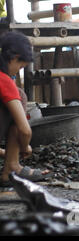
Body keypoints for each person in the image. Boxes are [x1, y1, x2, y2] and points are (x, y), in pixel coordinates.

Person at [0, 32, 51, 186]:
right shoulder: (4, 80)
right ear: (14, 58)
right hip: (21, 144)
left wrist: (5, 153)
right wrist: (25, 146)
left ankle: (12, 163)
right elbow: (25, 130)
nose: (18, 71)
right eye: (21, 67)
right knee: (20, 95)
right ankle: (12, 168)